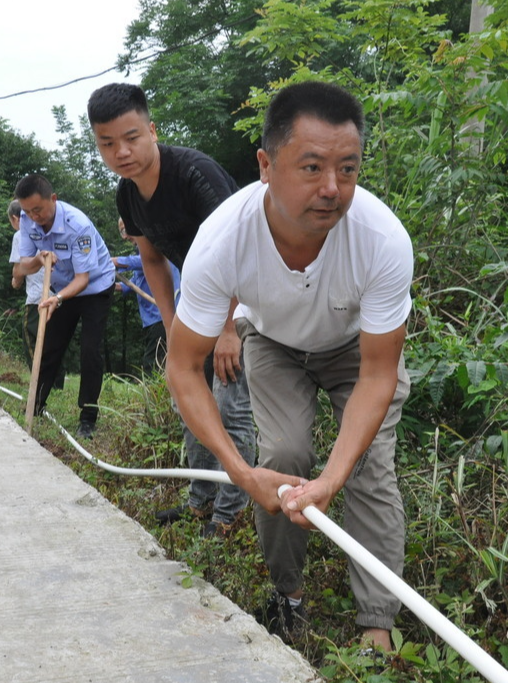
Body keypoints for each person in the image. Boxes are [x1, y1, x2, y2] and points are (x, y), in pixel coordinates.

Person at [165, 81, 413, 652]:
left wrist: (333, 479)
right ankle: (287, 595)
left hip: (355, 349)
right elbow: (184, 368)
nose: (332, 188)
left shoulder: (381, 240)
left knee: (369, 470)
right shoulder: (221, 241)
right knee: (279, 459)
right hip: (273, 342)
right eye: (311, 167)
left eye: (347, 169)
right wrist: (239, 471)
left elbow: (378, 375)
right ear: (265, 166)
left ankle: (377, 622)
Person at [88, 82, 255, 537]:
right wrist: (171, 323)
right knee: (191, 402)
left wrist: (227, 329)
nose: (122, 151)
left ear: (152, 130)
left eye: (132, 137)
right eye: (108, 143)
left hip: (250, 299)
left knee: (230, 404)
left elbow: (239, 251)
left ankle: (231, 512)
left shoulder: (194, 175)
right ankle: (201, 502)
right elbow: (153, 259)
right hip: (199, 303)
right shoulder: (127, 195)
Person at [12, 174, 115, 439]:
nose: (34, 216)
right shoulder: (26, 220)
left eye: (38, 209)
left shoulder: (77, 225)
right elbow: (24, 265)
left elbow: (83, 279)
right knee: (49, 346)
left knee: (90, 351)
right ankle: (34, 406)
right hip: (61, 287)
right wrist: (39, 257)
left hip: (94, 287)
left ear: (53, 199)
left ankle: (88, 418)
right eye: (27, 211)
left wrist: (58, 299)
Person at [112, 219, 180, 374]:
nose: (125, 237)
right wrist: (109, 286)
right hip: (149, 319)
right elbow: (132, 284)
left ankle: (155, 395)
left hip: (160, 316)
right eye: (121, 232)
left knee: (153, 364)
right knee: (158, 360)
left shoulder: (153, 245)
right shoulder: (140, 252)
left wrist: (116, 261)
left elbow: (150, 260)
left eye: (125, 230)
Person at [9, 199, 64, 388]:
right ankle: (56, 385)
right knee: (54, 342)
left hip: (36, 299)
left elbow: (18, 271)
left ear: (16, 218)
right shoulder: (51, 230)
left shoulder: (20, 235)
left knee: (31, 341)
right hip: (58, 296)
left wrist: (16, 280)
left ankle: (39, 383)